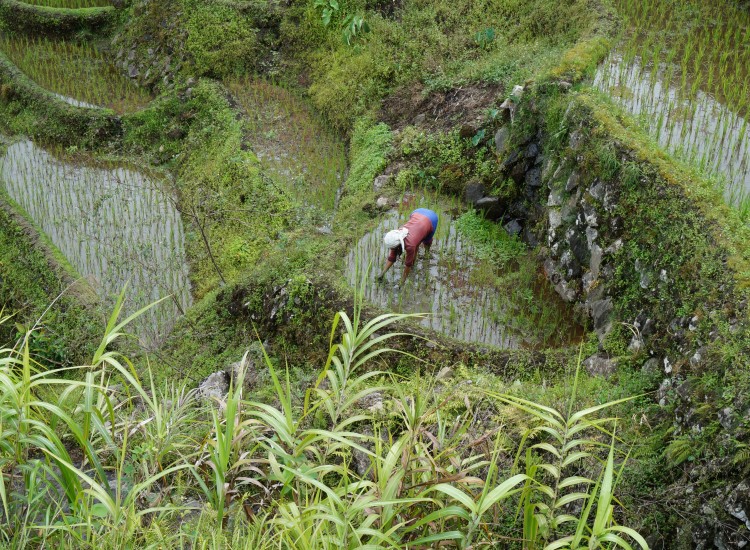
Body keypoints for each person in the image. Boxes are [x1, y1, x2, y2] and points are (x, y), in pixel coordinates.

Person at [377, 208, 438, 285]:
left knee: (427, 241)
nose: (392, 250)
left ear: (397, 245)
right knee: (416, 241)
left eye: (393, 248)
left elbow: (408, 265)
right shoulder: (396, 237)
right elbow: (392, 257)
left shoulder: (410, 245)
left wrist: (402, 282)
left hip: (431, 219)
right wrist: (382, 274)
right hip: (416, 213)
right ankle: (417, 258)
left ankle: (427, 253)